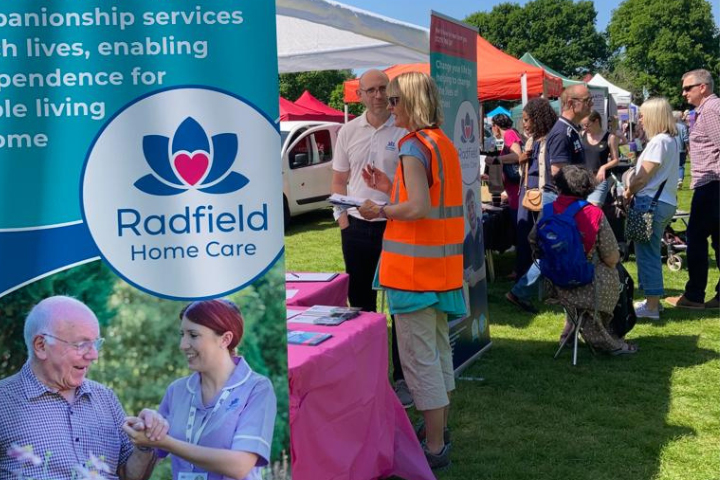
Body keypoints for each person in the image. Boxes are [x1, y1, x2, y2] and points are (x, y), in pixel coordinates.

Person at [357, 71, 465, 470]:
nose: (389, 104)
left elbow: (417, 208)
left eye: (396, 99)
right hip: (440, 272)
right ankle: (438, 431)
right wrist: (389, 186)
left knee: (420, 362)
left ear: (413, 103)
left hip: (414, 274)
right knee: (436, 356)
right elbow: (426, 199)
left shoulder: (412, 145)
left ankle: (434, 446)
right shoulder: (441, 144)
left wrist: (379, 209)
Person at [0, 296, 161, 480]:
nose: (94, 356)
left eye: (95, 344)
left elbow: (128, 476)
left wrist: (143, 444)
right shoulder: (4, 402)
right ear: (41, 346)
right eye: (81, 345)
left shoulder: (105, 398)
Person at [124, 299, 276, 480]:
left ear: (225, 339)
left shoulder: (257, 388)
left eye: (193, 335)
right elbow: (136, 476)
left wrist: (168, 443)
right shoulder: (177, 391)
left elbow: (240, 465)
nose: (183, 344)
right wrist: (145, 438)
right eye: (182, 334)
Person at [330, 69, 411, 407]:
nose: (378, 96)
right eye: (371, 90)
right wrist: (342, 219)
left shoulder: (405, 129)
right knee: (360, 304)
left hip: (397, 225)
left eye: (383, 90)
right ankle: (364, 373)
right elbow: (338, 180)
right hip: (359, 227)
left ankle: (403, 378)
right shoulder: (348, 131)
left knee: (400, 305)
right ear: (359, 95)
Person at [532, 165, 636, 354]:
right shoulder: (594, 214)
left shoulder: (547, 211)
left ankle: (571, 328)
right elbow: (612, 257)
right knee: (620, 276)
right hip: (588, 285)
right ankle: (612, 339)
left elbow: (533, 241)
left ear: (559, 186)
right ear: (588, 187)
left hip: (556, 285)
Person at [506, 85, 592, 313]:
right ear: (573, 103)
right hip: (558, 199)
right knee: (555, 248)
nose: (592, 103)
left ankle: (528, 291)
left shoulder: (566, 130)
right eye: (588, 99)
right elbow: (559, 172)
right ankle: (522, 291)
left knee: (555, 249)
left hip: (559, 199)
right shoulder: (561, 132)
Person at [667, 69, 720, 310]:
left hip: (711, 184)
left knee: (697, 239)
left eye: (688, 87)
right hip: (710, 184)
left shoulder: (710, 109)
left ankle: (694, 295)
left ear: (703, 87)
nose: (683, 92)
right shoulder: (707, 110)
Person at [624, 97, 679, 319]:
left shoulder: (659, 142)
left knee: (647, 254)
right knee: (650, 251)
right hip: (663, 202)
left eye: (643, 114)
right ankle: (652, 300)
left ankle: (652, 306)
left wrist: (628, 190)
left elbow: (642, 177)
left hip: (650, 203)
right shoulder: (670, 141)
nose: (640, 119)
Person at [503, 98, 558, 313]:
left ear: (538, 118)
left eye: (526, 119)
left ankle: (527, 290)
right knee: (527, 242)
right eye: (522, 120)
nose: (523, 124)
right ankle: (523, 290)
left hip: (544, 196)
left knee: (544, 245)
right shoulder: (530, 141)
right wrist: (521, 160)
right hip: (529, 196)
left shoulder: (551, 140)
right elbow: (524, 172)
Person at [580, 110, 620, 205]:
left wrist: (603, 167)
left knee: (593, 208)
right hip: (583, 179)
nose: (585, 128)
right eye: (583, 126)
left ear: (596, 121)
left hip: (599, 179)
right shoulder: (582, 135)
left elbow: (616, 160)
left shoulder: (610, 137)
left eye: (587, 125)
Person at [490, 113, 523, 223]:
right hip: (513, 195)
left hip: (516, 195)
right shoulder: (512, 134)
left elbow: (517, 155)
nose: (492, 130)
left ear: (496, 126)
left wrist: (497, 159)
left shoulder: (509, 134)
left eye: (491, 127)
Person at [673, 110, 690, 188]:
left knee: (673, 166)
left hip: (672, 149)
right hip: (682, 149)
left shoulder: (670, 126)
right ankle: (680, 179)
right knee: (681, 165)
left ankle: (674, 181)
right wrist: (688, 148)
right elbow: (686, 139)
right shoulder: (683, 126)